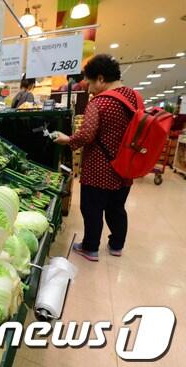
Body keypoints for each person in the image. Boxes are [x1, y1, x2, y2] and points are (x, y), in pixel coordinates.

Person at [54, 54, 140, 262]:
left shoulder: (100, 102)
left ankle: (91, 247)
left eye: (90, 84)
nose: (89, 90)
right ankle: (116, 245)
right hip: (125, 167)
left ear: (101, 79)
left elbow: (86, 135)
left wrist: (67, 139)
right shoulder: (134, 97)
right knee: (117, 209)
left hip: (99, 169)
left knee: (92, 209)